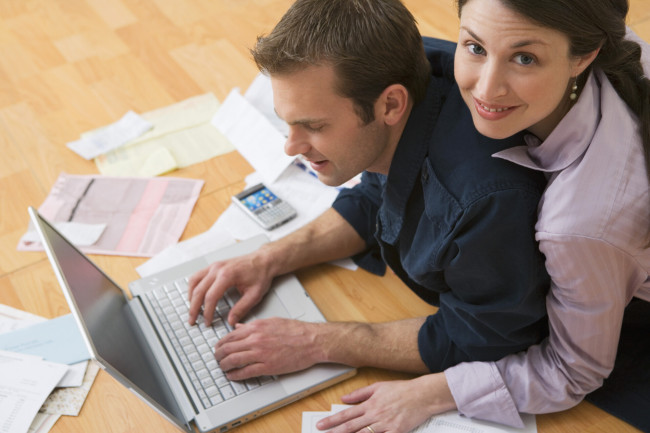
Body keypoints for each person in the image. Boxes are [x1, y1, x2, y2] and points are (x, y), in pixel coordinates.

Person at [187, 0, 550, 404]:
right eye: (287, 122)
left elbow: (481, 339)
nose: (291, 146)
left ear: (391, 105)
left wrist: (317, 341)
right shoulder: (390, 70)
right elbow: (375, 195)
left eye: (313, 126)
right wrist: (267, 259)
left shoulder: (485, 197)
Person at [317, 0, 650, 432]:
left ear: (584, 56)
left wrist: (432, 392)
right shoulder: (609, 41)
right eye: (475, 47)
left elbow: (571, 372)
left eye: (524, 58)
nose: (487, 89)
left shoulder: (580, 224)